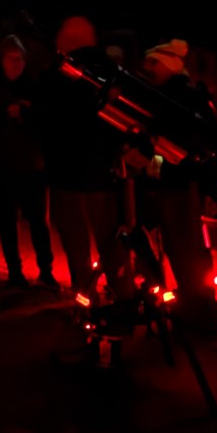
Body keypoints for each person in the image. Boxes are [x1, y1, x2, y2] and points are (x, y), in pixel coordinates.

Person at [127, 39, 217, 336]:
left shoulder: (179, 98)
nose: (148, 69)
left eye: (153, 63)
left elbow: (183, 146)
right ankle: (195, 312)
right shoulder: (176, 95)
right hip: (173, 185)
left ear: (168, 64)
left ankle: (198, 317)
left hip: (179, 187)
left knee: (186, 254)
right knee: (184, 253)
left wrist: (148, 157)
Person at [35, 16, 132, 301]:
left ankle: (84, 296)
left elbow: (43, 120)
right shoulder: (110, 71)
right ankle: (122, 294)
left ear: (67, 42)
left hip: (66, 173)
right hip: (103, 172)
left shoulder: (59, 73)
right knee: (110, 240)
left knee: (75, 240)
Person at [0, 36, 58, 290]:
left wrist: (26, 111)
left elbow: (45, 122)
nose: (17, 63)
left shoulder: (33, 87)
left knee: (38, 221)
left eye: (21, 58)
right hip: (4, 165)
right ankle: (15, 271)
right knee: (8, 219)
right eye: (12, 57)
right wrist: (4, 113)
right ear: (0, 59)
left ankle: (46, 270)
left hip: (32, 166)